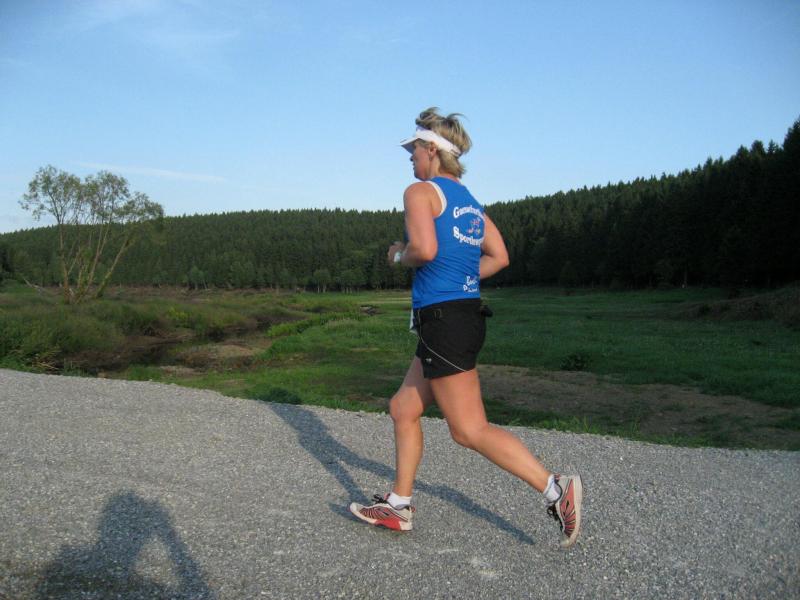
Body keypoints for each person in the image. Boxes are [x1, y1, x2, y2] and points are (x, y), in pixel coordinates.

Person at [348, 108, 582, 548]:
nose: (410, 157)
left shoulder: (420, 192)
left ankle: (556, 489)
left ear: (431, 150)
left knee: (468, 430)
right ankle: (398, 505)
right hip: (459, 317)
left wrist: (397, 254)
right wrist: (461, 278)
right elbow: (500, 257)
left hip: (444, 323)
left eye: (414, 149)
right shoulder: (470, 204)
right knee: (403, 407)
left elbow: (423, 248)